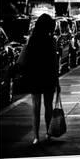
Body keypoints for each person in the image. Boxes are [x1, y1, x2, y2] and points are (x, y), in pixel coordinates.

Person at [19, 13, 60, 145]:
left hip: (35, 76)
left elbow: (27, 59)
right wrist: (57, 82)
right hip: (48, 76)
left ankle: (36, 137)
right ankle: (48, 133)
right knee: (48, 107)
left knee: (35, 108)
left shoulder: (32, 40)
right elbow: (54, 63)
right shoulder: (52, 41)